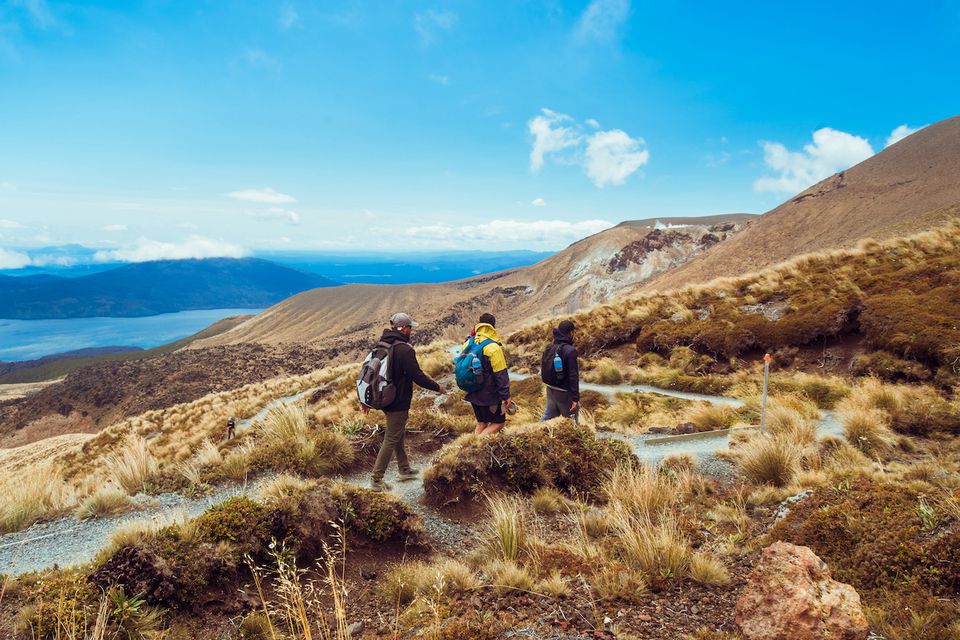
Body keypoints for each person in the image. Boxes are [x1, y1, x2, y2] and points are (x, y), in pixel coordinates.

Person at [367, 312, 445, 492]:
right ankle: (376, 479)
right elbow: (417, 376)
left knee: (397, 433)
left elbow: (369, 373)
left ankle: (404, 469)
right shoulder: (404, 349)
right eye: (410, 327)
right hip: (398, 399)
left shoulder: (383, 344)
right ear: (403, 328)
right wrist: (437, 387)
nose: (411, 330)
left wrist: (367, 400)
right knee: (392, 437)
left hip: (384, 397)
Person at [462, 313, 513, 435]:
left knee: (482, 423)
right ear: (493, 326)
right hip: (489, 395)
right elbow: (501, 374)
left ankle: (471, 446)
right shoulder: (493, 347)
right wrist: (506, 395)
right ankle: (475, 447)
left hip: (473, 391)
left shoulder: (468, 343)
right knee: (498, 423)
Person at [540, 319, 580, 422]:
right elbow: (573, 376)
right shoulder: (570, 351)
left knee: (548, 416)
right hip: (564, 393)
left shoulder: (550, 346)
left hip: (550, 388)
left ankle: (530, 433)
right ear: (571, 333)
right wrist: (575, 398)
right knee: (571, 421)